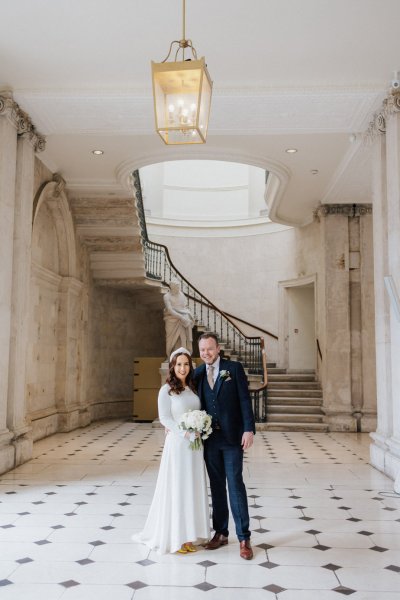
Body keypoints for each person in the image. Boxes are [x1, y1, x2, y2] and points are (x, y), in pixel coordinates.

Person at [132, 347, 210, 555]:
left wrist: (200, 426)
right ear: (172, 367)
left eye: (186, 364)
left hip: (195, 447)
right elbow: (165, 418)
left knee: (191, 486)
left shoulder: (194, 387)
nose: (183, 368)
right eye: (179, 364)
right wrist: (185, 433)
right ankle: (177, 537)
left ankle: (191, 534)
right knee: (178, 487)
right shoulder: (166, 390)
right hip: (178, 444)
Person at [194, 333, 255, 560]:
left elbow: (244, 400)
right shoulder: (198, 373)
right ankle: (220, 532)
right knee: (217, 487)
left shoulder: (234, 368)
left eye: (209, 349)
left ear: (218, 348)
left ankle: (244, 537)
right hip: (210, 440)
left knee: (235, 485)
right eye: (202, 350)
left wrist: (248, 429)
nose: (206, 353)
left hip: (232, 438)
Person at [163, 279, 195, 358]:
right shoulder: (166, 296)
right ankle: (170, 356)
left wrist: (187, 314)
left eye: (178, 287)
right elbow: (170, 310)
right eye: (176, 287)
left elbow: (185, 307)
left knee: (183, 338)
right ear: (172, 287)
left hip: (183, 317)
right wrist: (181, 317)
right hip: (171, 319)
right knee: (170, 339)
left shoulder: (181, 294)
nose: (178, 289)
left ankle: (184, 356)